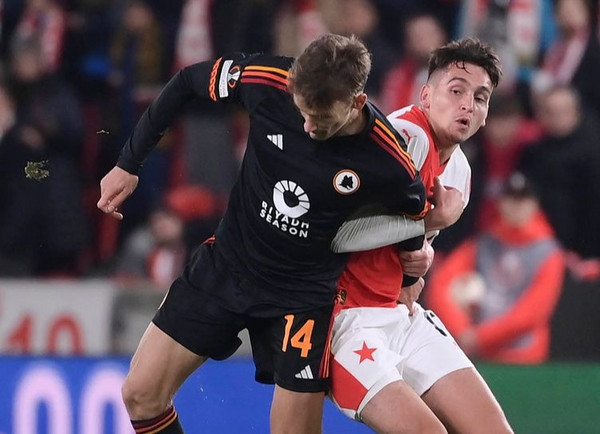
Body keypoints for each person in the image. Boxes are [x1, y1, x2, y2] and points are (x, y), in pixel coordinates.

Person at [97, 34, 463, 433]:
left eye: (322, 120)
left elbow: (410, 215)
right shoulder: (268, 80)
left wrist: (409, 274)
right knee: (140, 396)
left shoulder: (388, 158)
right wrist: (128, 163)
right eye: (303, 112)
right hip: (228, 267)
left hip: (302, 300)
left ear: (357, 103)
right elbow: (187, 82)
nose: (308, 126)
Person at [328, 38, 514, 433]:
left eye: (480, 98)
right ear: (426, 96)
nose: (468, 105)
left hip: (401, 317)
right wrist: (429, 223)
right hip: (346, 320)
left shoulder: (460, 172)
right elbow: (335, 234)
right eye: (456, 91)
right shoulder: (398, 140)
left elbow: (409, 260)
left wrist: (420, 258)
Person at [426, 171, 565, 364]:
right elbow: (440, 284)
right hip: (480, 356)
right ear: (500, 203)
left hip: (525, 356)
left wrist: (479, 337)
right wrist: (462, 330)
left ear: (535, 204)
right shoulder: (483, 243)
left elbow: (533, 312)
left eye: (523, 200)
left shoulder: (548, 252)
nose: (516, 206)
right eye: (510, 199)